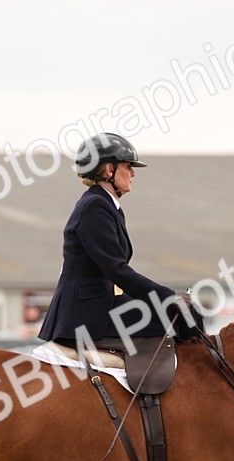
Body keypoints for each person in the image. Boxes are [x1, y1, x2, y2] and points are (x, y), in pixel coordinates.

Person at [39, 133, 197, 351]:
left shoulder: (104, 204)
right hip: (88, 313)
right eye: (127, 166)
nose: (132, 173)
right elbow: (117, 270)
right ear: (109, 170)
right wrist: (168, 298)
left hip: (99, 305)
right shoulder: (95, 206)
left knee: (181, 314)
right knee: (180, 318)